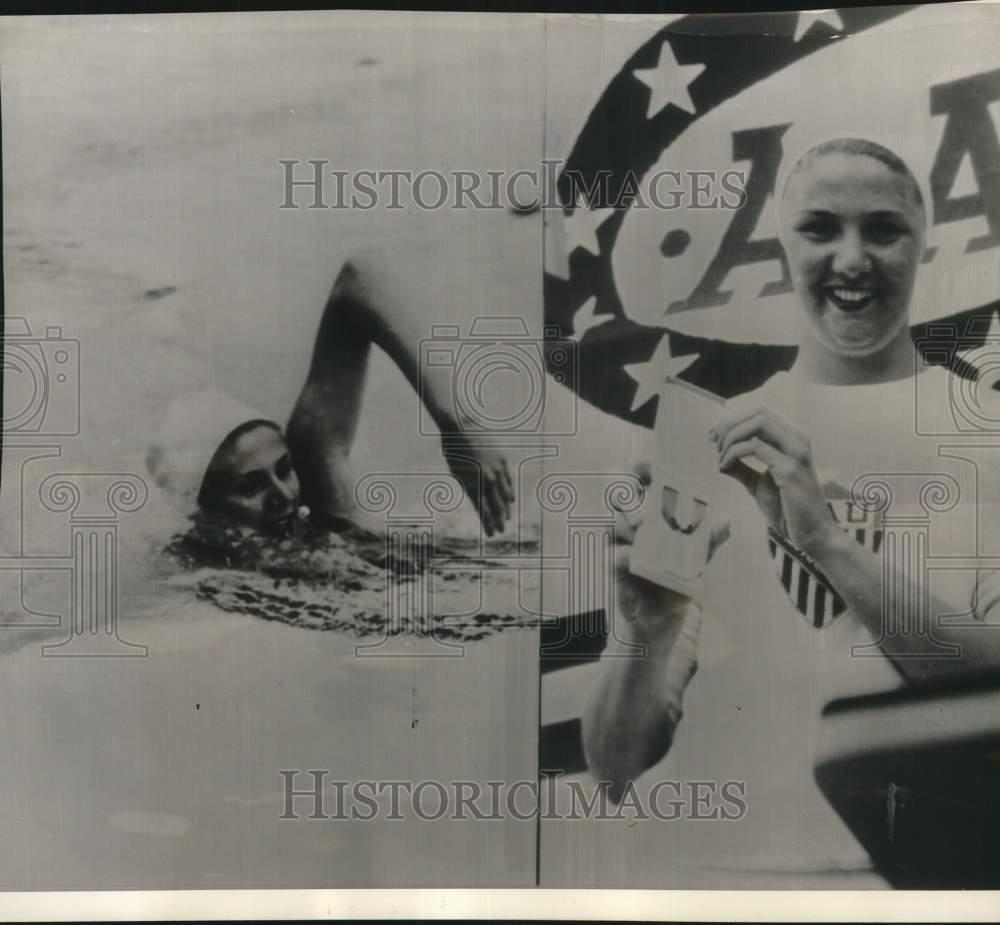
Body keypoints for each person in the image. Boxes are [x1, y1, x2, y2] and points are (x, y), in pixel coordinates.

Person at [580, 135, 1000, 880]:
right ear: (780, 248)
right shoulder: (709, 439)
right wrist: (647, 633)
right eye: (819, 228)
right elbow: (614, 765)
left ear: (923, 245)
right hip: (717, 879)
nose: (850, 258)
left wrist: (830, 544)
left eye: (882, 228)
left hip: (914, 880)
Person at [147, 251, 515, 544]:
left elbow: (358, 280)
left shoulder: (319, 505)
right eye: (248, 488)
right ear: (199, 512)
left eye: (285, 469)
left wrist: (458, 423)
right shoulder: (199, 576)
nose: (282, 497)